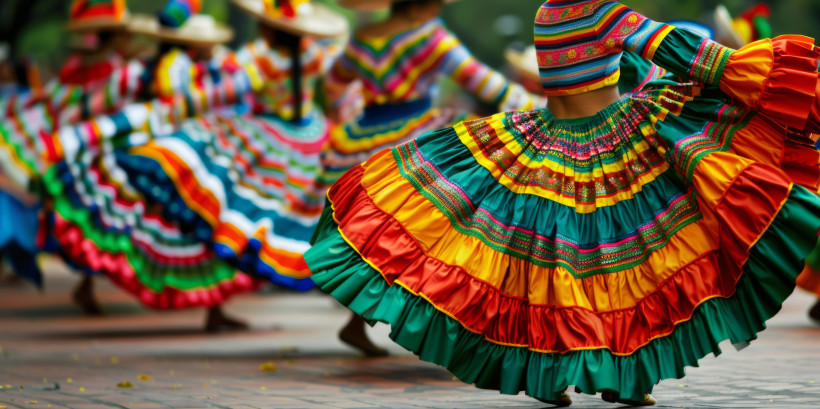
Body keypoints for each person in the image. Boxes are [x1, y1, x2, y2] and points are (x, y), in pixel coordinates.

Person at [304, 0, 820, 406]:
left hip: (547, 140)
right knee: (617, 267)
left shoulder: (547, 11)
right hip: (606, 146)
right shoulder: (603, 10)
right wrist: (757, 75)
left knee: (550, 265)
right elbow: (682, 52)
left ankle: (556, 376)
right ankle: (621, 374)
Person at [321, 0, 533, 185]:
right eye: (436, 2)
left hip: (358, 141)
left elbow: (334, 80)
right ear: (415, 6)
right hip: (413, 137)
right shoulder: (429, 36)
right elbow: (474, 76)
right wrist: (527, 102)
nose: (439, 9)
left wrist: (340, 111)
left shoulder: (361, 39)